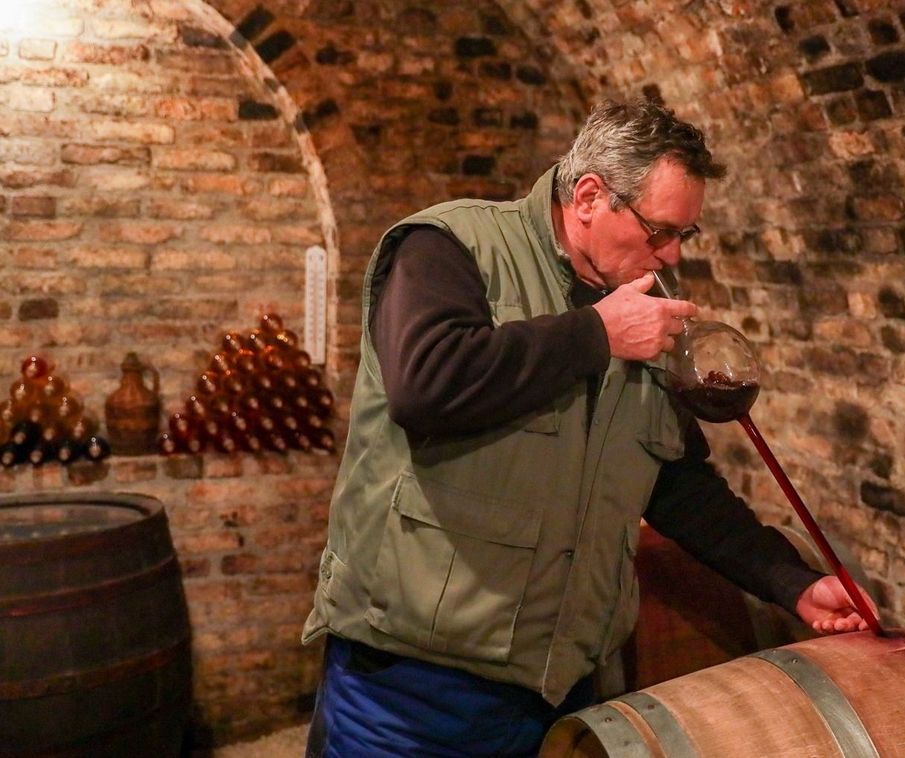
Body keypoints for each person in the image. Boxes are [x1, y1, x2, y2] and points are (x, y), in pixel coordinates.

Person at [302, 99, 875, 756]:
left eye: (683, 235)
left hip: (561, 686)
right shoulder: (450, 246)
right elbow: (425, 385)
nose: (668, 256)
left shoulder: (642, 306)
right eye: (658, 231)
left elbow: (676, 480)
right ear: (588, 197)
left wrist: (793, 583)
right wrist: (596, 334)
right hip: (412, 687)